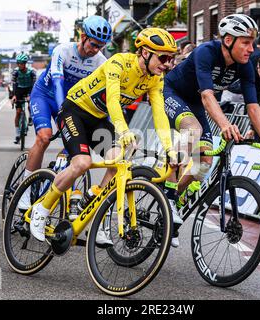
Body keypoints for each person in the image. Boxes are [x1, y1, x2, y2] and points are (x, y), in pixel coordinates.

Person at [28, 27, 179, 245]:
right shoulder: (119, 62)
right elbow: (113, 100)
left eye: (171, 60)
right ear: (145, 53)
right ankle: (41, 210)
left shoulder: (155, 79)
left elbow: (159, 114)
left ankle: (96, 209)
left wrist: (170, 148)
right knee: (82, 163)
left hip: (97, 120)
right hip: (74, 110)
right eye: (164, 58)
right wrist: (124, 130)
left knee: (120, 157)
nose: (167, 64)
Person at [163, 14, 260, 247]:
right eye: (246, 42)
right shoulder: (205, 52)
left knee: (205, 159)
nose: (251, 49)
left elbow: (253, 106)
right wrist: (225, 125)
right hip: (173, 93)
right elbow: (208, 95)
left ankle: (172, 199)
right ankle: (166, 196)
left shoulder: (245, 66)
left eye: (253, 42)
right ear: (228, 40)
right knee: (193, 130)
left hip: (196, 102)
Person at [17, 16, 111, 210]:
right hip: (46, 95)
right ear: (83, 36)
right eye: (93, 44)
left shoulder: (101, 62)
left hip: (71, 103)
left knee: (76, 146)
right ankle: (24, 190)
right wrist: (61, 112)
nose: (95, 50)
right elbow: (58, 82)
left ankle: (55, 181)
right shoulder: (63, 51)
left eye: (100, 46)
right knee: (44, 137)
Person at [11, 53, 36, 144]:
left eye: (21, 63)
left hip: (29, 88)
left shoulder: (32, 71)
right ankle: (17, 134)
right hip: (19, 90)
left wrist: (31, 95)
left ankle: (30, 118)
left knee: (30, 104)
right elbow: (13, 84)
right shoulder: (15, 71)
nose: (19, 65)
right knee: (18, 112)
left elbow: (34, 85)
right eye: (18, 63)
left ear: (25, 63)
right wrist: (14, 95)